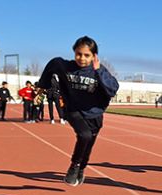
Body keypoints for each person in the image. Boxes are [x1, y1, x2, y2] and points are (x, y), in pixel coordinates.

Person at [38, 36, 119, 186]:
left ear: (94, 56)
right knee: (84, 135)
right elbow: (53, 64)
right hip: (73, 110)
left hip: (94, 114)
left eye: (86, 55)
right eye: (78, 54)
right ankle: (74, 166)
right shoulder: (64, 66)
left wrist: (99, 71)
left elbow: (112, 89)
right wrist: (43, 85)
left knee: (88, 145)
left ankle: (81, 168)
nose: (81, 58)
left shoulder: (99, 71)